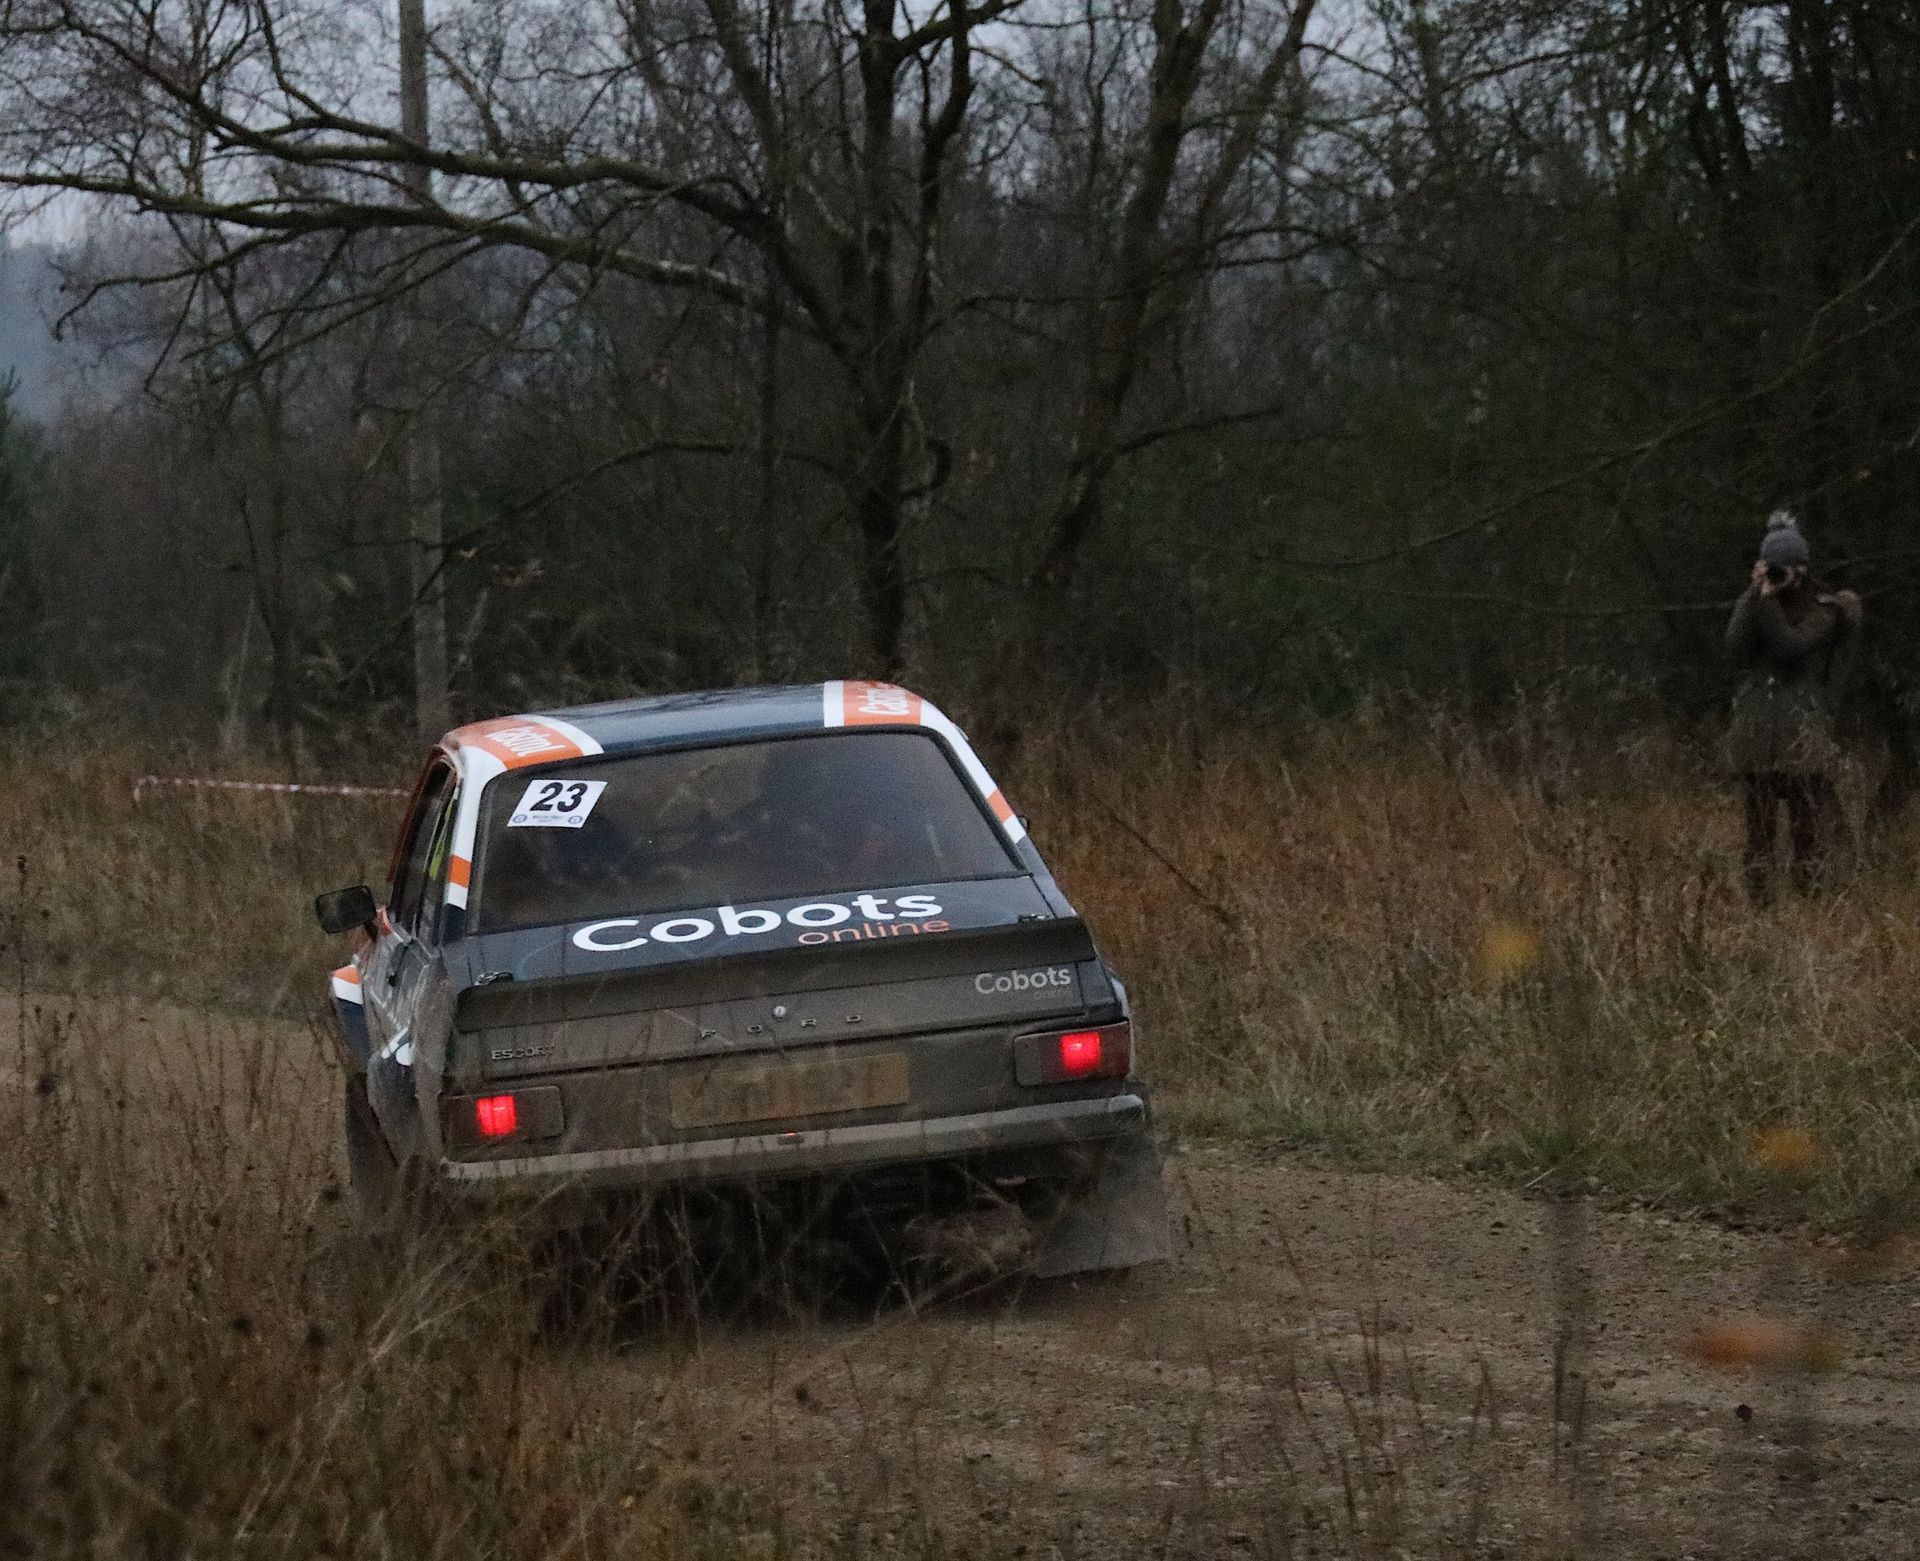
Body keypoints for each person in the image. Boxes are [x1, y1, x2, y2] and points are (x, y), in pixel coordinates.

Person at [1724, 510, 1862, 902]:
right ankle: (1760, 906)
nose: (1781, 577)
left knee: (1806, 832)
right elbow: (1734, 651)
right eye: (1774, 568)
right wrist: (1753, 596)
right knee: (1759, 832)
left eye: (1787, 569)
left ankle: (1810, 904)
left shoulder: (1826, 607)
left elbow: (1791, 647)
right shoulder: (1757, 600)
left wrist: (1763, 603)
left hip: (1801, 732)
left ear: (1802, 568)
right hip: (1757, 732)